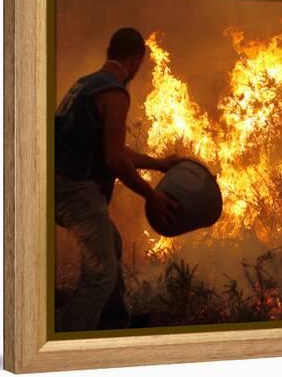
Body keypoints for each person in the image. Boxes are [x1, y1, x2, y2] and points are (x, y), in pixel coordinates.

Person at [54, 27, 185, 332]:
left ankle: (114, 322)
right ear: (136, 60)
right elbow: (114, 160)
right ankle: (68, 340)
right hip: (76, 191)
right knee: (100, 274)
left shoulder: (85, 85)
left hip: (56, 184)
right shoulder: (115, 93)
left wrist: (160, 165)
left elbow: (111, 148)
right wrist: (151, 195)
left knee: (110, 243)